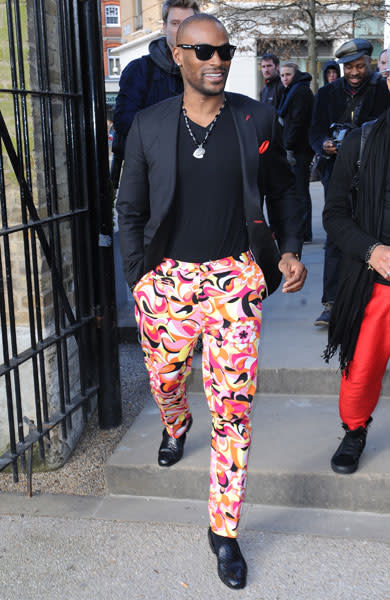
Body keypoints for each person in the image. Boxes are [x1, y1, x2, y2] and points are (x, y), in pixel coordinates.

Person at [117, 13, 306, 590]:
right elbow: (130, 210)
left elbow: (284, 189)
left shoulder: (256, 117)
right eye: (202, 52)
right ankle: (175, 425)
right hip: (168, 281)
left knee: (234, 411)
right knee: (166, 379)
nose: (216, 61)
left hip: (235, 282)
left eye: (223, 51)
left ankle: (224, 533)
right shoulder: (148, 125)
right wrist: (138, 282)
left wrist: (290, 249)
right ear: (178, 56)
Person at [323, 109, 390, 474]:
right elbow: (333, 213)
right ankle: (355, 430)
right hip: (375, 280)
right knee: (361, 371)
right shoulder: (361, 141)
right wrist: (372, 251)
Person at [309, 38, 390, 327]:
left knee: (370, 232)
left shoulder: (383, 89)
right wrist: (324, 145)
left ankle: (366, 298)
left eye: (360, 66)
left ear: (368, 63)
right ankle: (332, 303)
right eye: (349, 68)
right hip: (337, 173)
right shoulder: (328, 93)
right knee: (336, 235)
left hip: (374, 175)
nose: (355, 72)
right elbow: (314, 131)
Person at [110, 0, 199, 187]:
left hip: (194, 175)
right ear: (165, 27)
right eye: (175, 24)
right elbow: (124, 120)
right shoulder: (140, 70)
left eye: (187, 23)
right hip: (150, 178)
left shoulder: (205, 70)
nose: (182, 29)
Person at [278, 62, 314, 242]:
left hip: (299, 149)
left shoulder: (299, 91)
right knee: (298, 192)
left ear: (296, 74)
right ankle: (302, 230)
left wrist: (289, 146)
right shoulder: (292, 90)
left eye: (288, 74)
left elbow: (297, 122)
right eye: (282, 75)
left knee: (300, 192)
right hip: (296, 148)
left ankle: (304, 231)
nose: (285, 78)